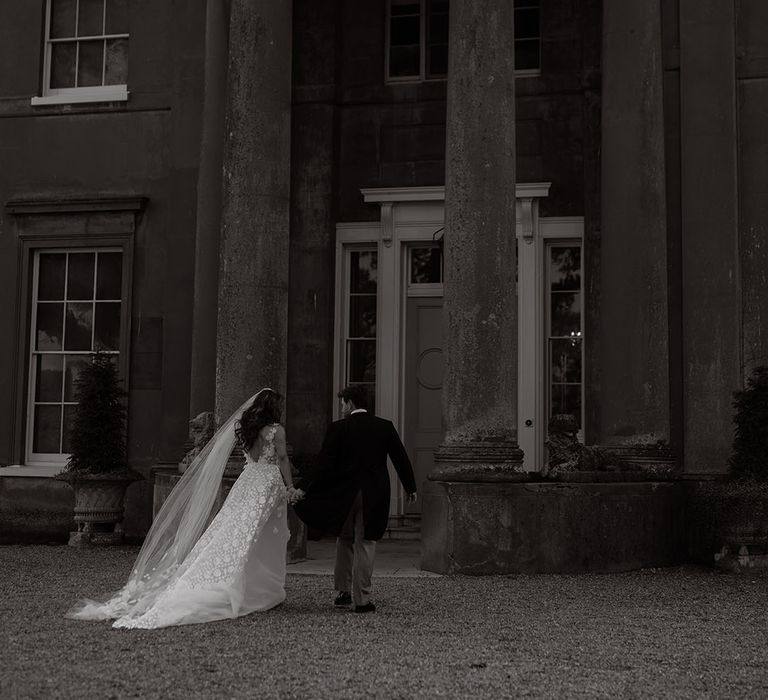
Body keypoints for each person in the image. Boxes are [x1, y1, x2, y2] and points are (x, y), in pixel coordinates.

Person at [66, 388, 303, 629]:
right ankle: (255, 587)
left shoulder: (245, 427)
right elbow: (282, 458)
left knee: (232, 531)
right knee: (254, 536)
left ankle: (257, 587)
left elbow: (249, 457)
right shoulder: (276, 430)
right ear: (273, 407)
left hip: (246, 481)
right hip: (267, 483)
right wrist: (290, 485)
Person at [293, 385, 417, 613]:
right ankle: (362, 600)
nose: (341, 408)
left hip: (345, 494)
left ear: (350, 403)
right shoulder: (384, 427)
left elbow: (323, 463)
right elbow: (400, 458)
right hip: (374, 493)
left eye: (343, 403)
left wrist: (303, 488)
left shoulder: (338, 428)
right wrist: (410, 487)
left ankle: (342, 593)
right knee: (366, 543)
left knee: (345, 539)